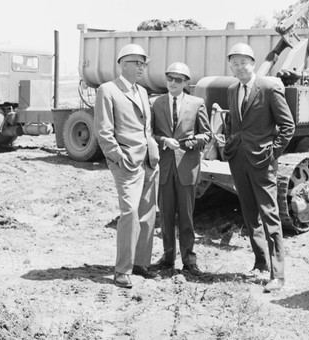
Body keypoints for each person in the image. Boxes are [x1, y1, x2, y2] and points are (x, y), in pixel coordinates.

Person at [223, 43, 295, 293]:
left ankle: (278, 274)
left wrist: (272, 153)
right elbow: (233, 123)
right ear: (230, 67)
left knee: (269, 216)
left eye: (244, 61)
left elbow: (287, 127)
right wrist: (230, 146)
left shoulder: (269, 87)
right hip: (239, 160)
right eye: (234, 63)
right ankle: (261, 262)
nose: (239, 66)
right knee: (249, 213)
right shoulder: (232, 89)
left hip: (263, 162)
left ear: (253, 63)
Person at [94, 43, 160, 289]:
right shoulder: (108, 90)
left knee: (146, 214)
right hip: (126, 163)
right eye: (138, 63)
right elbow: (103, 130)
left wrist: (152, 150)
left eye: (144, 64)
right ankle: (122, 270)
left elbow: (147, 127)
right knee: (130, 213)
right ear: (123, 64)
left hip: (148, 161)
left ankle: (141, 263)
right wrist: (116, 156)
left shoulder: (142, 92)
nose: (142, 68)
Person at [152, 62, 211, 276]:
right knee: (166, 216)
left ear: (187, 82)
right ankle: (168, 258)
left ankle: (189, 260)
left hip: (187, 166)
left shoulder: (197, 103)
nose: (173, 83)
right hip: (165, 168)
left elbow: (207, 134)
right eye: (170, 78)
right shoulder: (156, 103)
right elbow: (149, 135)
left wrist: (192, 142)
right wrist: (163, 141)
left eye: (178, 79)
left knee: (186, 216)